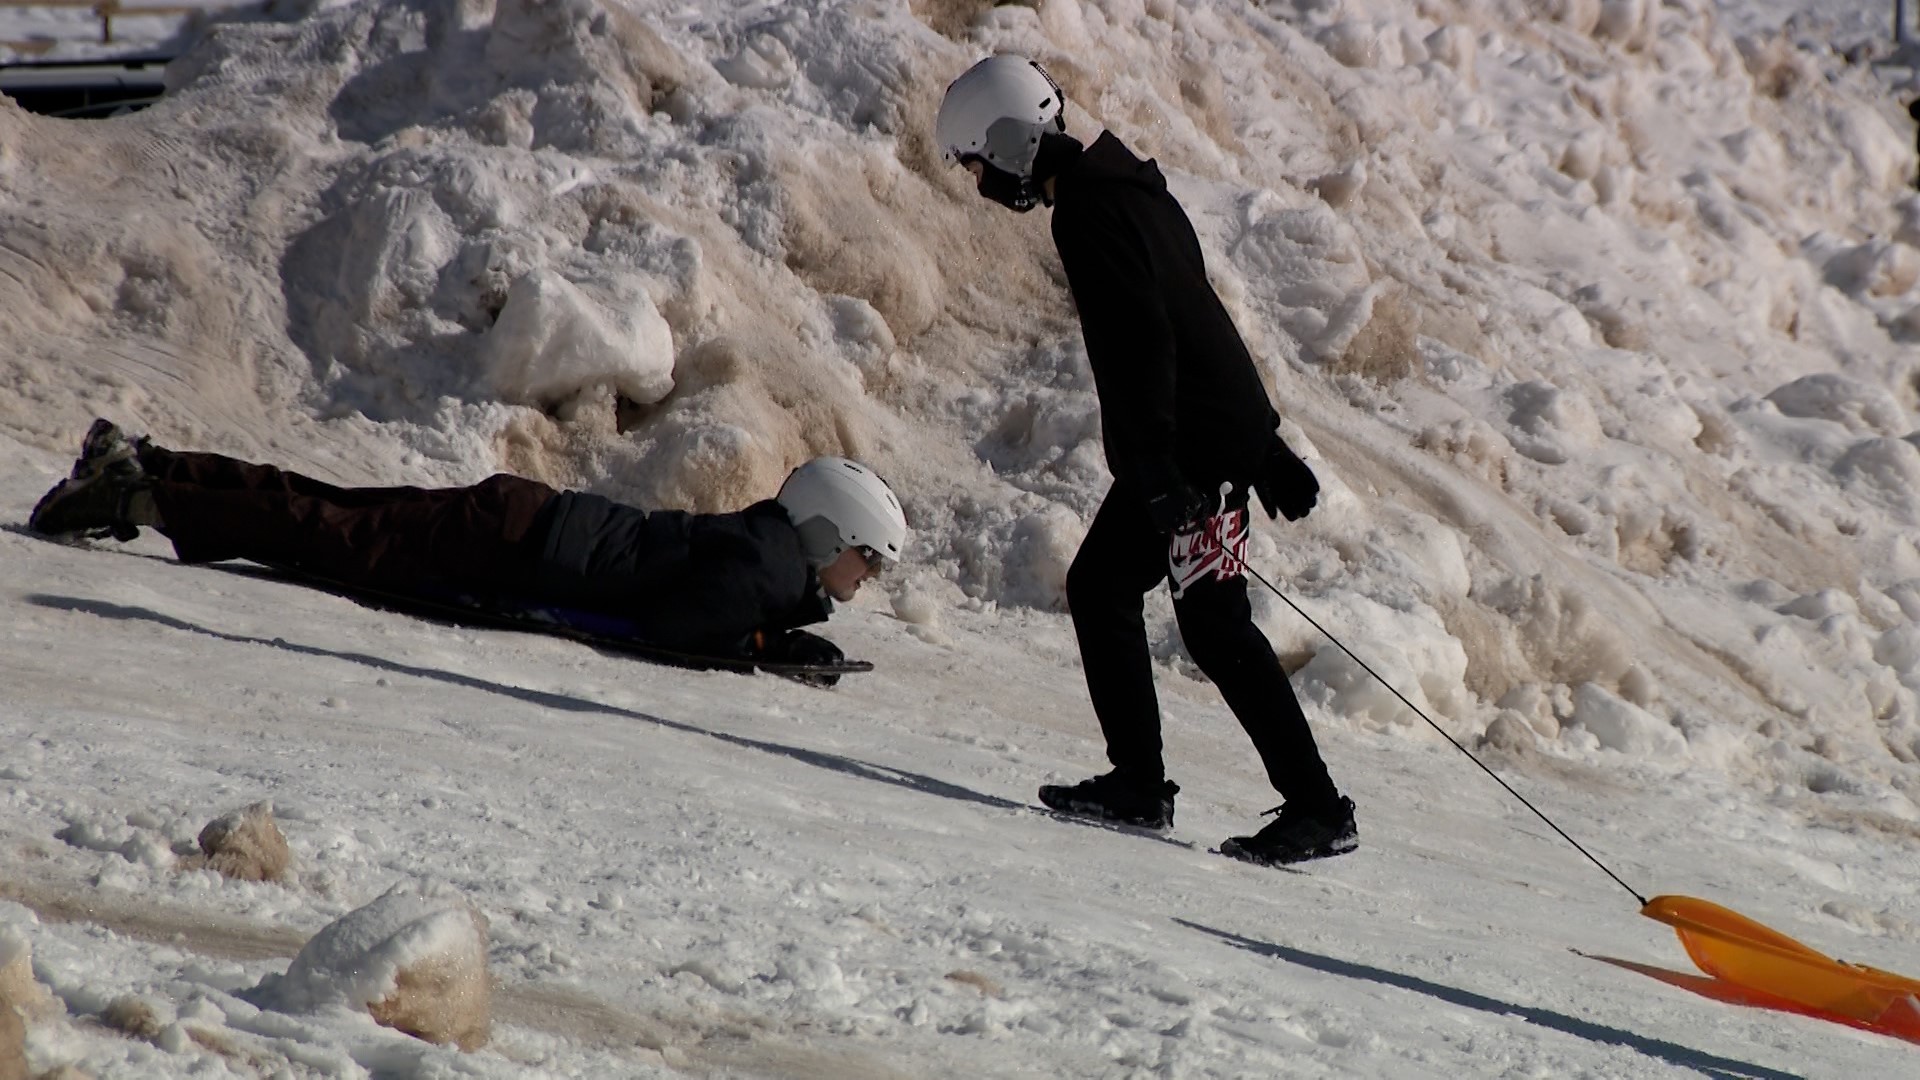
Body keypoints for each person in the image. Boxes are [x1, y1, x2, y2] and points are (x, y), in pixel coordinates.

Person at [934, 55, 1356, 866]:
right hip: (1200, 447)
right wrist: (1264, 444)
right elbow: (1198, 317)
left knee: (1213, 625)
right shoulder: (1132, 192)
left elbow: (1146, 346)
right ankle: (1141, 784)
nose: (982, 184)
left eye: (981, 165)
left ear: (1015, 142)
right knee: (1109, 587)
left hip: (1191, 456)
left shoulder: (1089, 213)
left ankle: (1312, 806)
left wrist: (1168, 471)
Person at [28, 419, 906, 663]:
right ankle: (141, 495)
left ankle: (155, 463)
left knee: (334, 509)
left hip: (520, 519)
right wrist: (761, 642)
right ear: (830, 532)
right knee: (323, 535)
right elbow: (682, 627)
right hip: (509, 550)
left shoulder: (768, 550)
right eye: (865, 557)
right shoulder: (768, 564)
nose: (862, 579)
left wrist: (769, 629)